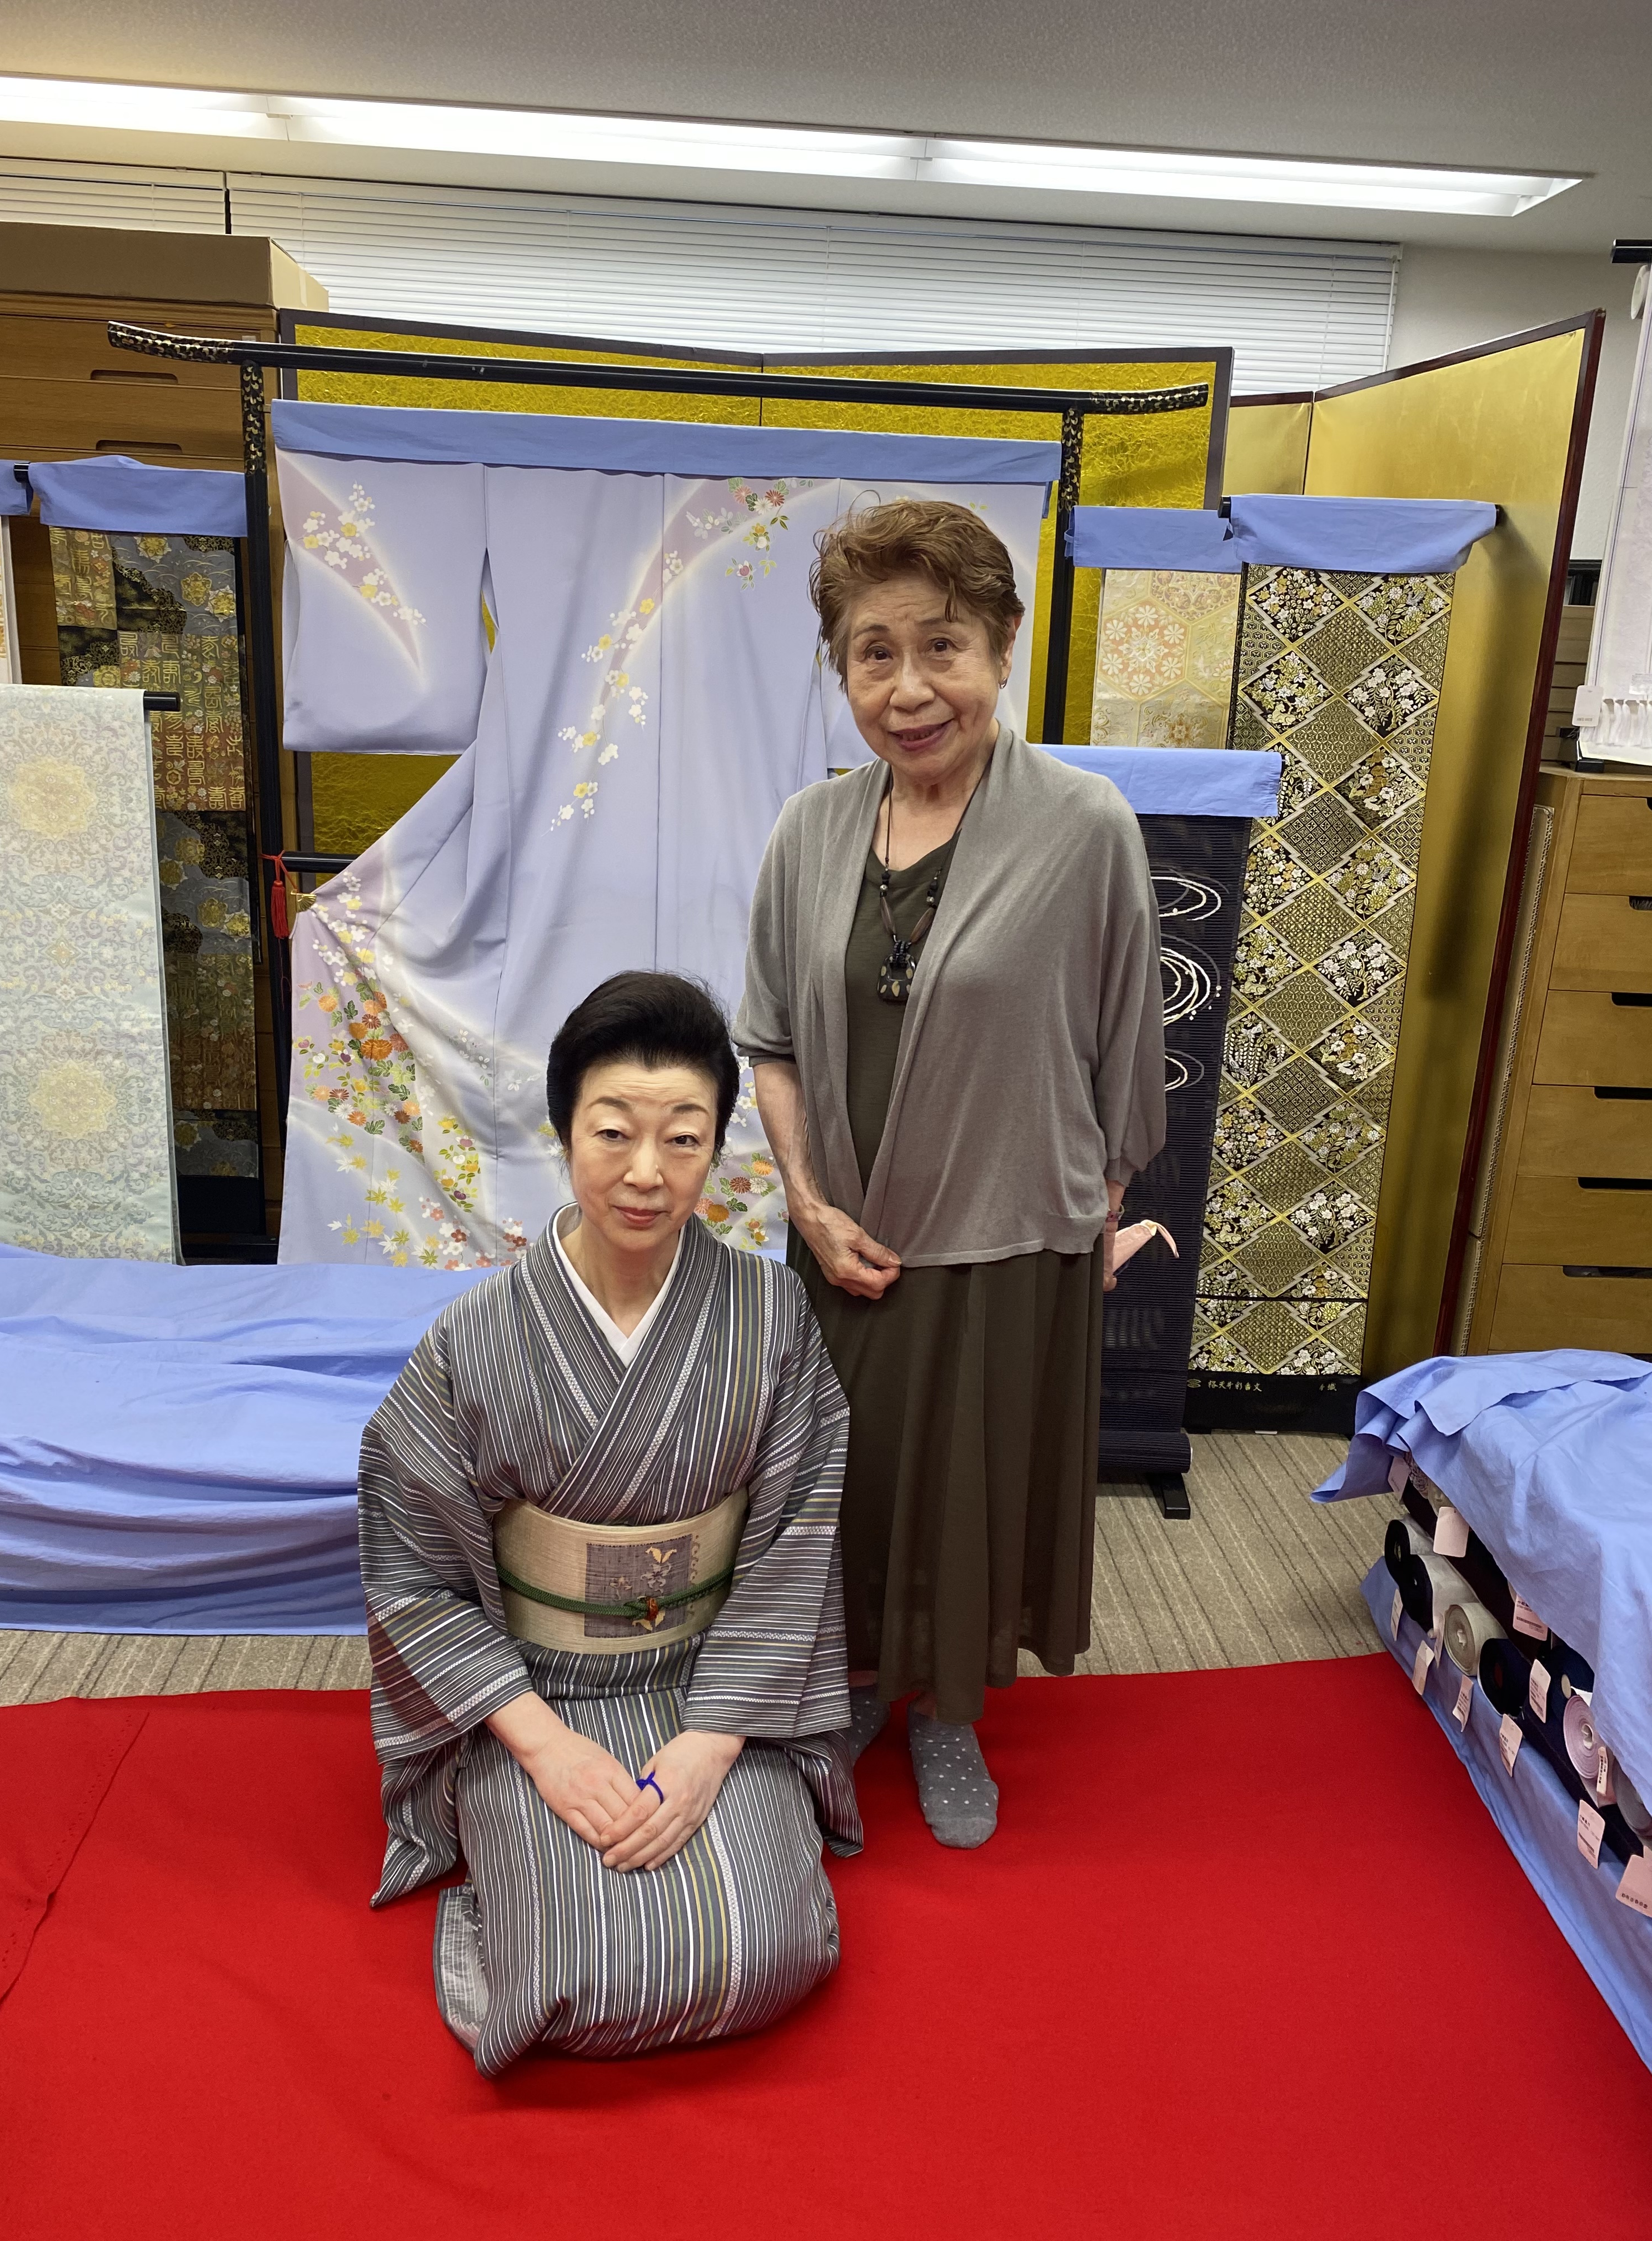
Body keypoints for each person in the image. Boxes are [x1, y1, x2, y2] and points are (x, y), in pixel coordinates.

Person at [735, 496, 1165, 1851]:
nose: (911, 688)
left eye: (944, 647)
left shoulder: (1085, 826)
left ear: (1000, 649)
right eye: (875, 653)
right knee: (844, 1487)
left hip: (1005, 1238)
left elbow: (1125, 1044)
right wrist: (808, 1204)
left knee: (970, 1494)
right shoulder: (809, 830)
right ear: (843, 670)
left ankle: (948, 1711)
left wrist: (1091, 1213)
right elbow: (771, 1043)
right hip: (842, 1240)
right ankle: (857, 1683)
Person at [358, 971, 860, 2072]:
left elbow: (797, 1536)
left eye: (683, 1139)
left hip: (712, 1682)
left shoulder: (772, 1317)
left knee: (767, 1949)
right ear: (564, 1131)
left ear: (716, 1148)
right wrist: (541, 1750)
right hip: (536, 1694)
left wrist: (710, 1745)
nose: (646, 1172)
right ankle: (513, 1823)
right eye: (614, 1132)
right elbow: (413, 1569)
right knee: (569, 1975)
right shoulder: (473, 1338)